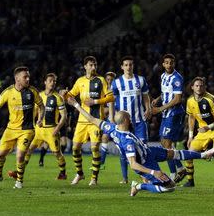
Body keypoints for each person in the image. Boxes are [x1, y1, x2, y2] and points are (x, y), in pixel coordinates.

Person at [66, 96, 214, 196]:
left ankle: (204, 154)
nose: (131, 119)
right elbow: (133, 164)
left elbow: (92, 119)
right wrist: (153, 173)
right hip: (145, 162)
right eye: (129, 117)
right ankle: (138, 186)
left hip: (148, 151)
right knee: (169, 187)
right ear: (125, 120)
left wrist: (76, 105)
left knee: (174, 153)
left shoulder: (112, 128)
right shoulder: (127, 142)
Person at [0, 66, 44, 189]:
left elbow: (41, 105)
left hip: (27, 130)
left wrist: (40, 118)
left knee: (20, 155)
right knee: (0, 154)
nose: (28, 79)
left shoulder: (32, 91)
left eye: (28, 76)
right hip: (11, 129)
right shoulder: (8, 92)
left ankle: (19, 182)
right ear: (17, 78)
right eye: (25, 77)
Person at [60, 56, 114, 186]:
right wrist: (64, 93)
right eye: (91, 65)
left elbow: (111, 97)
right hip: (82, 120)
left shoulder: (101, 80)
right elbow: (71, 96)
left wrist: (95, 101)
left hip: (96, 120)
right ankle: (80, 174)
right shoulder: (80, 81)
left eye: (95, 64)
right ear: (85, 66)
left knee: (95, 147)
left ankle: (94, 178)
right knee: (75, 148)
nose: (94, 67)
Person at [8, 73, 67, 180]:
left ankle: (63, 173)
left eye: (54, 81)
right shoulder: (39, 95)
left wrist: (57, 129)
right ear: (45, 82)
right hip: (38, 130)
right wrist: (32, 124)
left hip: (51, 130)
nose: (52, 83)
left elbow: (64, 116)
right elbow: (34, 112)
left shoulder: (58, 98)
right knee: (28, 150)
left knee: (57, 153)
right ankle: (19, 172)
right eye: (50, 81)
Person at [110, 56, 151, 183]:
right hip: (123, 123)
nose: (128, 67)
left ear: (133, 66)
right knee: (123, 151)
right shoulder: (116, 82)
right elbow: (112, 100)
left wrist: (148, 108)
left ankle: (145, 176)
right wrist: (112, 116)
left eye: (130, 65)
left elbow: (145, 96)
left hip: (139, 121)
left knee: (143, 149)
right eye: (126, 65)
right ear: (122, 67)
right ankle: (125, 177)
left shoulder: (141, 80)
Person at [151, 54, 186, 182]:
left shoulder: (177, 78)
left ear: (174, 63)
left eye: (171, 62)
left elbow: (177, 99)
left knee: (166, 144)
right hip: (167, 114)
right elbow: (165, 92)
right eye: (166, 62)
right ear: (163, 64)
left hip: (174, 113)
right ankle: (180, 169)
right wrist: (157, 99)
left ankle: (172, 174)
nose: (169, 65)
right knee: (165, 143)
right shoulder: (163, 76)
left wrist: (160, 109)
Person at [96, 71, 116, 171]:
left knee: (119, 142)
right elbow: (103, 107)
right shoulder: (103, 92)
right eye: (108, 79)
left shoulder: (117, 90)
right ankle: (102, 162)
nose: (109, 82)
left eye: (111, 80)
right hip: (109, 118)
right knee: (104, 138)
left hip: (118, 118)